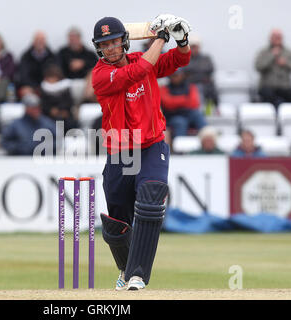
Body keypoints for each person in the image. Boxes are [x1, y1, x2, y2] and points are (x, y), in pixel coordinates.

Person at [91, 14, 192, 291]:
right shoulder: (101, 75)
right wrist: (160, 37)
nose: (110, 48)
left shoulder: (143, 61)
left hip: (151, 146)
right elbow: (135, 73)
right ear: (99, 48)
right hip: (120, 152)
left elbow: (179, 60)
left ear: (124, 41)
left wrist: (181, 39)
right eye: (105, 44)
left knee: (151, 198)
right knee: (116, 222)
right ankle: (125, 269)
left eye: (114, 42)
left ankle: (137, 274)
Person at [255, 29, 291, 109]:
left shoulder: (288, 52)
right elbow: (258, 67)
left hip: (285, 88)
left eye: (279, 37)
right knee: (271, 98)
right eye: (275, 37)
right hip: (268, 87)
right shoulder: (264, 52)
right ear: (270, 38)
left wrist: (286, 63)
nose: (277, 39)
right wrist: (271, 56)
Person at [160, 68, 206, 138]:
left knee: (198, 115)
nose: (175, 77)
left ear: (183, 75)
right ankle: (180, 148)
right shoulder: (164, 88)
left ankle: (208, 142)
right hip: (172, 116)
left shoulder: (191, 87)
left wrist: (174, 101)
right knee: (180, 122)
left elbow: (194, 103)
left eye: (177, 75)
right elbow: (167, 103)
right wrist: (185, 99)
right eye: (173, 75)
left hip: (189, 114)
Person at [182, 34, 218, 113]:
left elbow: (210, 69)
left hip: (205, 84)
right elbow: (183, 71)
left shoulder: (206, 58)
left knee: (208, 90)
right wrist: (199, 72)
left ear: (199, 47)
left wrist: (192, 72)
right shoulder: (184, 58)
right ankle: (198, 113)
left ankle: (212, 111)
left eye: (195, 46)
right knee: (196, 90)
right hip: (189, 84)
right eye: (192, 46)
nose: (194, 49)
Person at [40, 64, 78, 133]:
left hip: (65, 114)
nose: (52, 79)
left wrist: (60, 110)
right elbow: (43, 103)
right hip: (48, 115)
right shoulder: (44, 88)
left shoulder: (65, 87)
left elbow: (69, 101)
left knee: (70, 124)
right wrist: (51, 110)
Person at [18, 31, 57, 98]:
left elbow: (55, 73)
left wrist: (46, 85)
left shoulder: (52, 56)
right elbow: (24, 75)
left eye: (42, 40)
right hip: (31, 87)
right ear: (33, 42)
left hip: (48, 86)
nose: (40, 42)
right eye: (38, 40)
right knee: (25, 91)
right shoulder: (26, 56)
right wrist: (35, 87)